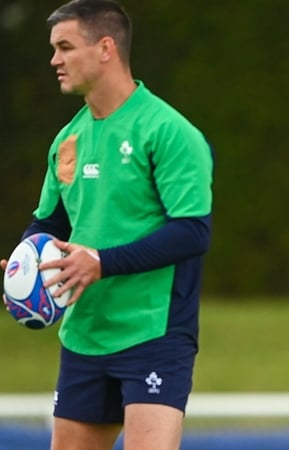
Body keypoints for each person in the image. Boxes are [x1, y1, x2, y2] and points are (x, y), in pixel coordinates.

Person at [0, 1, 214, 449]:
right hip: (84, 334)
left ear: (105, 48)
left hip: (154, 334)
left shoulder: (168, 131)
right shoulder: (67, 141)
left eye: (65, 47)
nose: (54, 60)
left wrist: (101, 261)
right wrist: (24, 265)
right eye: (53, 49)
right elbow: (48, 221)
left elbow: (193, 231)